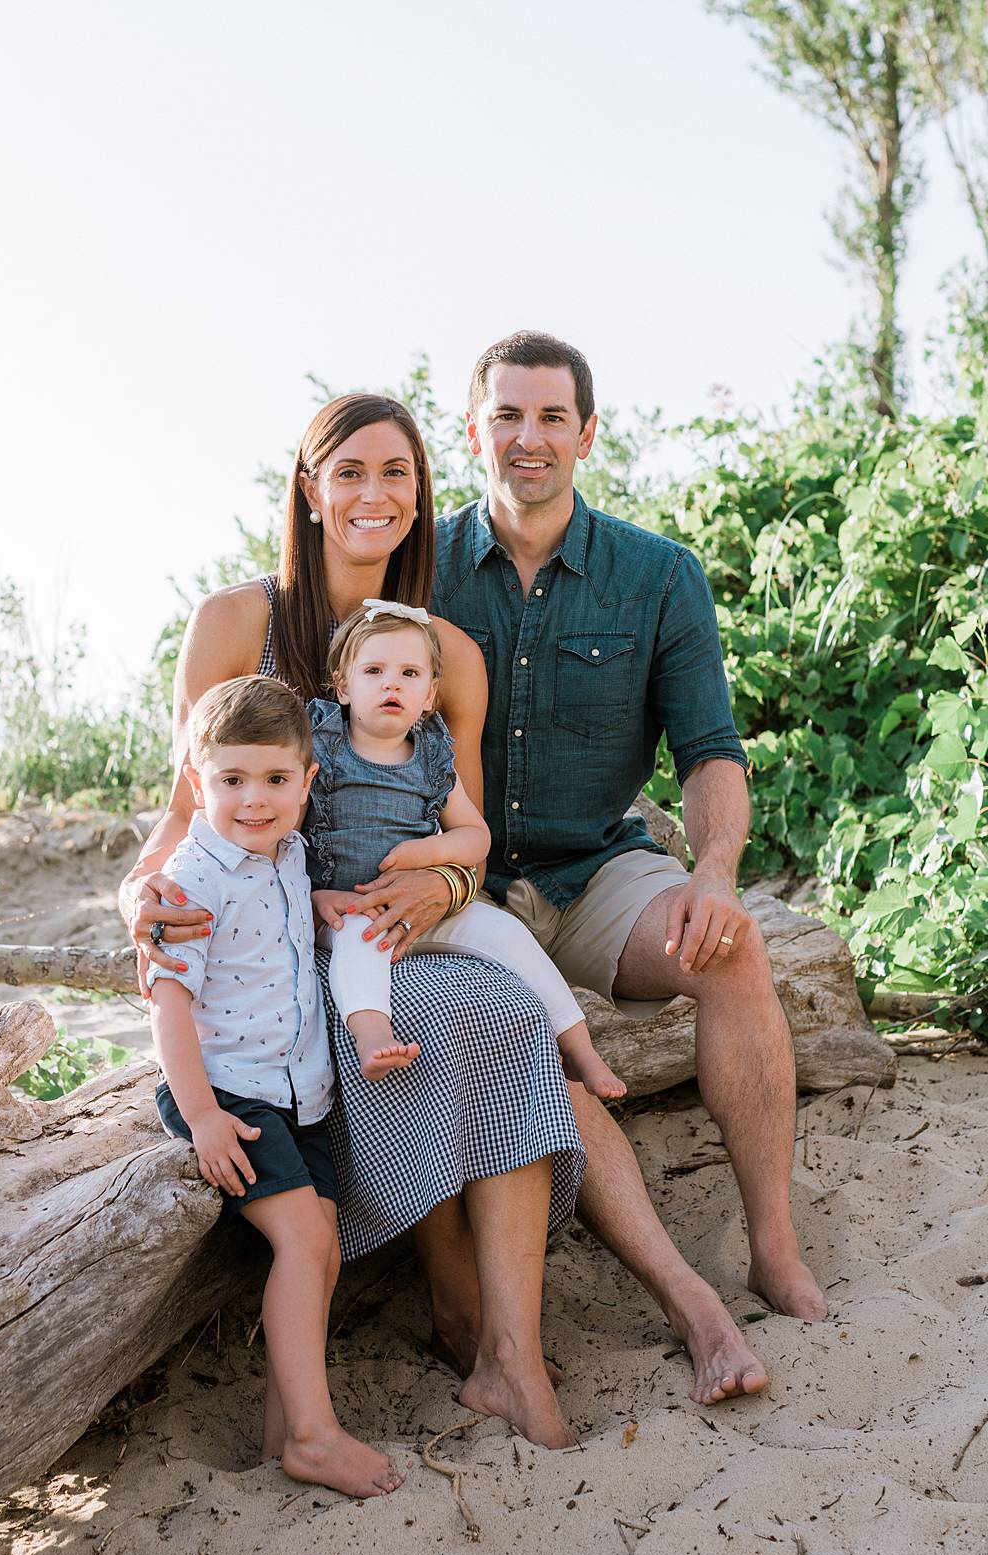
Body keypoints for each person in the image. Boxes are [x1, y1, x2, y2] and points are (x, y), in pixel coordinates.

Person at [348, 331, 827, 1404]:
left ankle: (772, 1242)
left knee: (735, 947)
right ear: (474, 432)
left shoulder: (658, 576)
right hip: (455, 889)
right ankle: (685, 1302)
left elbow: (711, 752)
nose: (529, 438)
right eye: (507, 416)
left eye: (551, 417)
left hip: (597, 869)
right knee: (537, 1055)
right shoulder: (411, 574)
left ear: (587, 432)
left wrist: (712, 870)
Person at [121, 392, 585, 1449]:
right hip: (264, 952)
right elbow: (183, 811)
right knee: (434, 1018)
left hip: (387, 917)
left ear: (424, 497)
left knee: (498, 1008)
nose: (376, 494)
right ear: (308, 486)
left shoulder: (445, 652)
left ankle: (509, 1348)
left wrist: (447, 889)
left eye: (399, 475)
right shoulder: (236, 623)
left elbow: (460, 833)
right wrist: (137, 899)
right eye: (352, 471)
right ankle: (456, 1298)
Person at [148, 675, 406, 1498]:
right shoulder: (193, 879)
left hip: (304, 1094)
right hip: (229, 1096)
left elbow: (282, 921)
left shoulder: (288, 854)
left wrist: (319, 900)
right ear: (198, 783)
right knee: (301, 1242)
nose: (253, 801)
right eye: (230, 781)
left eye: (273, 780)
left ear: (307, 780)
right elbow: (168, 1006)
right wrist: (202, 1119)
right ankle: (315, 1436)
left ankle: (280, 1436)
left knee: (322, 1251)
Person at [306, 600, 625, 1098]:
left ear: (430, 694)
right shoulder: (321, 749)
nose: (392, 683)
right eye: (374, 671)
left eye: (409, 673)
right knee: (358, 944)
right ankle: (372, 1038)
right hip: (350, 908)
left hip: (428, 902)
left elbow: (476, 837)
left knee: (506, 931)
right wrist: (313, 899)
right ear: (343, 687)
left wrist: (422, 854)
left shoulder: (432, 758)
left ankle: (582, 1052)